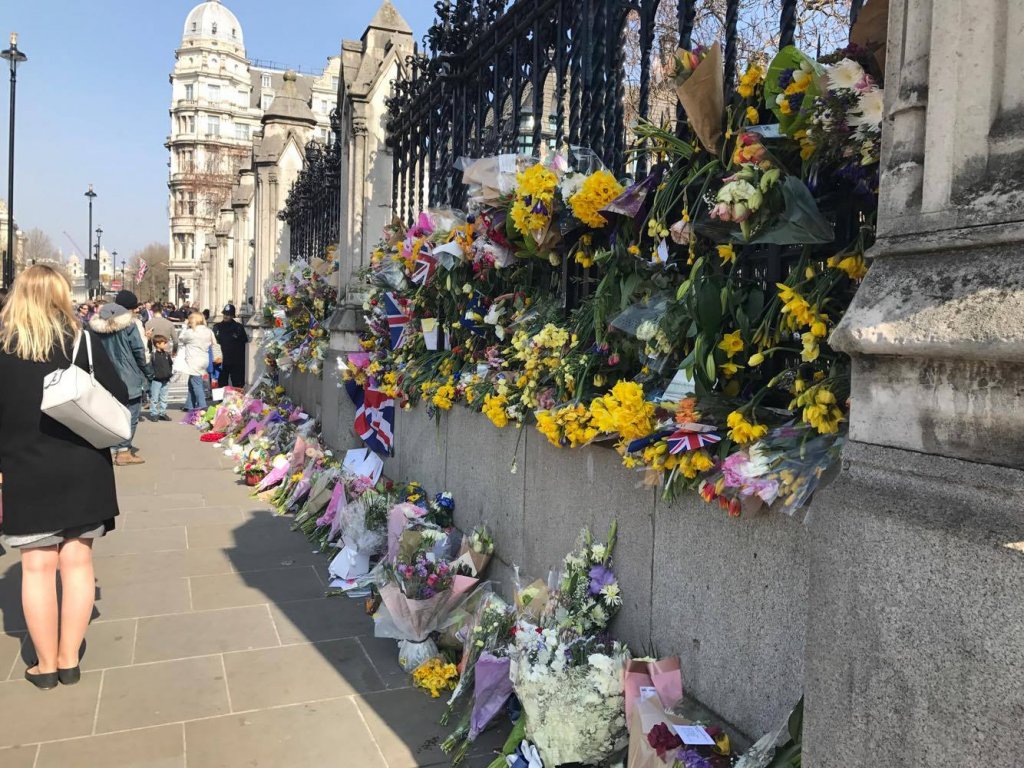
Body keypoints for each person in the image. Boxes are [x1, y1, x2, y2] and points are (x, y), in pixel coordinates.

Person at [0, 265, 128, 689]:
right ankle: (70, 658)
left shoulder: (3, 345)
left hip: (24, 466)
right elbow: (119, 394)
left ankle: (45, 664)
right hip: (83, 463)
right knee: (78, 562)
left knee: (36, 567)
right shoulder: (82, 340)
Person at [89, 295, 153, 465]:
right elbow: (139, 351)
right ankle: (123, 450)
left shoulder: (93, 328)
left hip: (103, 375)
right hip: (128, 374)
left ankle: (110, 448)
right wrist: (148, 372)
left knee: (107, 414)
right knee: (130, 413)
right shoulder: (129, 325)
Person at [178, 312, 220, 412]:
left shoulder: (191, 332)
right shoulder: (208, 331)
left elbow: (181, 338)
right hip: (204, 359)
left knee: (196, 383)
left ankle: (203, 406)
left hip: (193, 360)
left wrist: (185, 326)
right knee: (192, 382)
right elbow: (214, 343)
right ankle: (189, 405)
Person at [212, 303, 249, 387]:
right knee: (220, 385)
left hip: (235, 362)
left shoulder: (239, 328)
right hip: (220, 361)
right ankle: (220, 400)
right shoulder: (217, 327)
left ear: (232, 316)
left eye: (228, 314)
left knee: (237, 384)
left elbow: (244, 343)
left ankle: (237, 400)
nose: (226, 316)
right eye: (225, 314)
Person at [149, 335, 173, 421]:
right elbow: (150, 366)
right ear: (157, 344)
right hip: (156, 380)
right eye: (164, 343)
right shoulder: (153, 355)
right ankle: (154, 413)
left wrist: (169, 374)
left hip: (165, 379)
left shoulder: (167, 354)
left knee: (164, 398)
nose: (166, 344)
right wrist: (152, 375)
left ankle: (162, 413)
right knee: (154, 398)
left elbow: (170, 364)